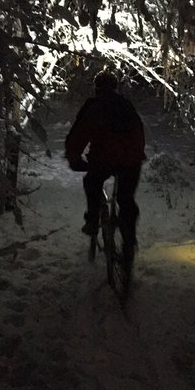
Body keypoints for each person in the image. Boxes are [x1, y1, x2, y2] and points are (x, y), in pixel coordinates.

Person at [65, 70, 145, 261]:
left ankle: (93, 220)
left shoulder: (94, 106)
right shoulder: (126, 105)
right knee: (126, 199)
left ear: (97, 88)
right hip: (131, 160)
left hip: (103, 158)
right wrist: (135, 155)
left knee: (92, 182)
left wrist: (74, 159)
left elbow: (79, 134)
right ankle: (129, 236)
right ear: (115, 87)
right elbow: (138, 131)